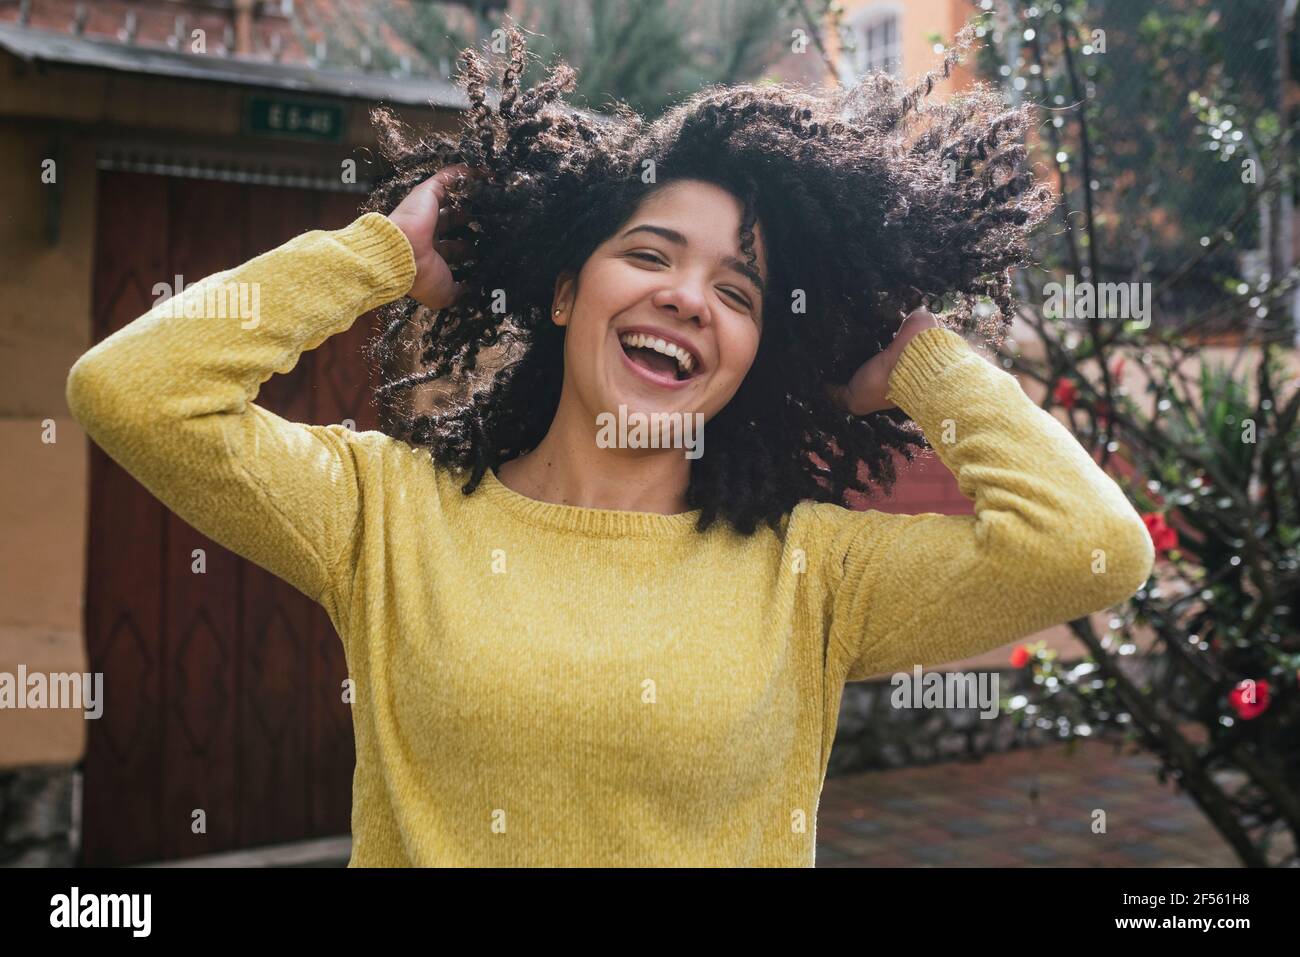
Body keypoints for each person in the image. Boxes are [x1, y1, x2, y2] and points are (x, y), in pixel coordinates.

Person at [65, 26, 1154, 867]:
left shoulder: (813, 573)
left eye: (738, 290)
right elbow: (134, 390)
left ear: (753, 353)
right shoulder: (385, 515)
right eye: (650, 255)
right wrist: (378, 253)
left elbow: (1091, 549)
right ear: (561, 292)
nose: (688, 298)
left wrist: (918, 360)